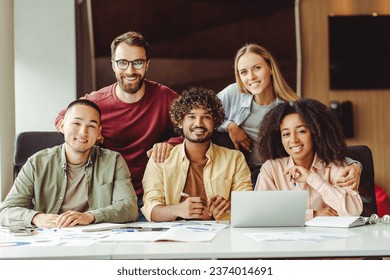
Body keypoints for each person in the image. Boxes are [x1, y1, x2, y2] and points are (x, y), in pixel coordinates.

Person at [54, 31, 182, 216]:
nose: (130, 71)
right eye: (122, 63)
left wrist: (171, 144)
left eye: (137, 63)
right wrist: (89, 135)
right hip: (109, 199)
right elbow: (62, 117)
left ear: (147, 65)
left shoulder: (164, 96)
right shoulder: (97, 102)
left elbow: (192, 127)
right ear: (113, 65)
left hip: (153, 197)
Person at [216, 43, 361, 187]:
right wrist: (229, 125)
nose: (251, 77)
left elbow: (324, 143)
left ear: (271, 68)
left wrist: (354, 164)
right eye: (244, 72)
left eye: (257, 68)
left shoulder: (292, 106)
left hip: (283, 173)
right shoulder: (234, 93)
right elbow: (202, 115)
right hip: (245, 172)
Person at [0, 100, 138, 228]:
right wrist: (36, 217)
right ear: (62, 126)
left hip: (95, 239)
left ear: (98, 133)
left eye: (91, 126)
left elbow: (129, 208)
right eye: (76, 123)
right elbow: (6, 211)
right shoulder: (37, 163)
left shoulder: (113, 161)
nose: (83, 132)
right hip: (49, 239)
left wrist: (90, 216)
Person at [141, 87, 252, 222]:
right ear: (180, 122)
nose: (198, 123)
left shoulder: (234, 159)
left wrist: (230, 209)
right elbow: (150, 209)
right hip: (173, 237)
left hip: (221, 235)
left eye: (206, 117)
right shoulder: (160, 158)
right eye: (192, 117)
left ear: (214, 122)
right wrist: (178, 209)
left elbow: (247, 206)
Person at [254, 98, 363, 220]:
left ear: (315, 133)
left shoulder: (334, 166)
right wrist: (313, 215)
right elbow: (261, 212)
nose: (294, 140)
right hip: (286, 238)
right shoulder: (272, 169)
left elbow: (353, 212)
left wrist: (312, 178)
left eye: (301, 131)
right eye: (286, 134)